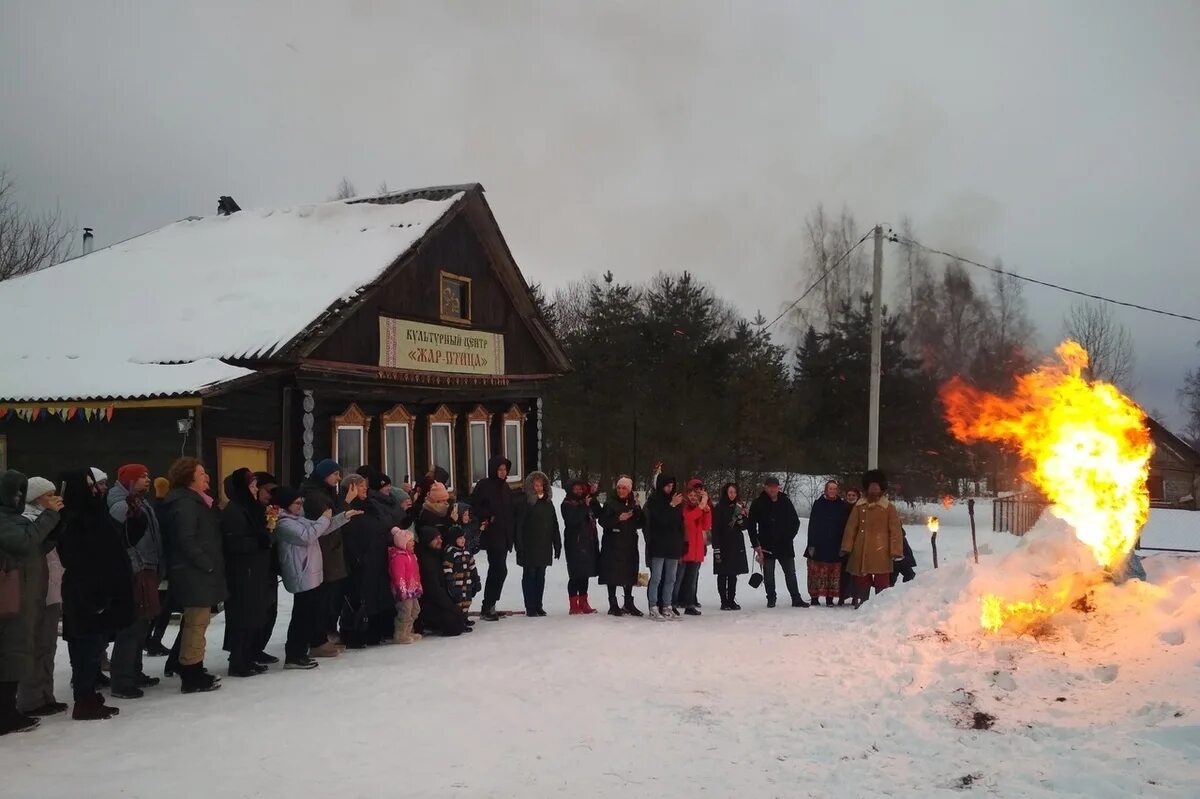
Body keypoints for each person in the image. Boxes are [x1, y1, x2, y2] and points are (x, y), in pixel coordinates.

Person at [57, 468, 134, 719]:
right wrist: (98, 593)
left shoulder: (93, 513)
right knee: (85, 650)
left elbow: (115, 545)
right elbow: (82, 558)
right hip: (86, 593)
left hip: (98, 592)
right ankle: (84, 700)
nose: (96, 489)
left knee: (93, 647)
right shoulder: (74, 519)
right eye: (90, 485)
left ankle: (89, 695)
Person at [0, 472, 62, 735]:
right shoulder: (5, 519)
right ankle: (6, 713)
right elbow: (24, 543)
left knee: (19, 650)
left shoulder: (15, 518)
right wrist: (49, 516)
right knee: (11, 652)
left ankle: (10, 711)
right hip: (12, 596)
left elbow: (37, 544)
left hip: (26, 594)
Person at [159, 457, 227, 693]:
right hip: (194, 573)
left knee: (197, 623)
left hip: (198, 573)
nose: (206, 476)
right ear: (188, 478)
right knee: (196, 624)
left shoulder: (195, 501)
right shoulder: (186, 504)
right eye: (200, 474)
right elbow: (185, 538)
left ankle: (193, 668)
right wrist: (205, 563)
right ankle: (191, 675)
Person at [272, 486, 358, 669]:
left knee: (309, 614)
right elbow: (308, 536)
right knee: (301, 616)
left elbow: (321, 529)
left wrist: (343, 517)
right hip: (300, 573)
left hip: (311, 573)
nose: (300, 506)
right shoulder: (283, 523)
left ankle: (300, 652)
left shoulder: (297, 519)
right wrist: (324, 518)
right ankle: (294, 655)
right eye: (296, 503)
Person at [106, 464, 164, 698]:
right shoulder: (121, 506)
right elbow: (126, 540)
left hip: (146, 567)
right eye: (142, 476)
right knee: (131, 626)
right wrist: (139, 564)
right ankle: (122, 680)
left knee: (142, 624)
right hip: (135, 570)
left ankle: (135, 672)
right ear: (130, 480)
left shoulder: (140, 501)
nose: (148, 480)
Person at [15, 477, 66, 720]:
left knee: (48, 645)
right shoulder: (27, 520)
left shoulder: (49, 518)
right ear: (35, 497)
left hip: (51, 590)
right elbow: (35, 545)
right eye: (49, 494)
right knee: (35, 646)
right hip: (35, 592)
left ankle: (46, 694)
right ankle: (31, 699)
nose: (54, 498)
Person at [219, 468, 274, 677]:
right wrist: (259, 540)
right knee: (243, 616)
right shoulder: (234, 510)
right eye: (251, 486)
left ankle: (247, 656)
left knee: (254, 615)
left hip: (255, 568)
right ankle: (238, 660)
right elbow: (234, 542)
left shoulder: (249, 508)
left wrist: (267, 531)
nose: (254, 490)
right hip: (242, 570)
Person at [340, 473, 395, 647]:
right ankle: (357, 633)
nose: (365, 489)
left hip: (377, 556)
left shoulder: (371, 505)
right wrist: (357, 556)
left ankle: (377, 631)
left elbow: (385, 522)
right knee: (362, 596)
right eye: (361, 486)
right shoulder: (346, 506)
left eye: (365, 485)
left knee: (378, 594)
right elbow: (346, 534)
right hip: (360, 559)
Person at [301, 458, 347, 649]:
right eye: (335, 474)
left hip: (330, 549)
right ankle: (318, 637)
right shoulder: (315, 495)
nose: (338, 478)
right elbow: (327, 523)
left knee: (329, 596)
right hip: (324, 549)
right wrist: (346, 506)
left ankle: (323, 634)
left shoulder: (324, 492)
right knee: (322, 597)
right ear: (324, 474)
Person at [840, 469, 903, 608]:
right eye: (871, 486)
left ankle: (881, 606)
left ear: (881, 489)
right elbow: (851, 527)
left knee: (882, 580)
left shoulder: (888, 508)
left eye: (876, 487)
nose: (873, 490)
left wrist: (896, 550)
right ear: (867, 488)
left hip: (882, 551)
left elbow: (896, 530)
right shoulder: (859, 506)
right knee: (862, 580)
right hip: (861, 549)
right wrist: (846, 546)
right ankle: (863, 604)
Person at [748, 477, 808, 608]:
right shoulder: (758, 503)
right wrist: (756, 544)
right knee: (768, 574)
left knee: (790, 573)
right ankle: (771, 598)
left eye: (775, 486)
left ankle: (796, 598)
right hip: (766, 544)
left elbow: (795, 522)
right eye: (770, 486)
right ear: (765, 487)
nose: (772, 489)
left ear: (778, 487)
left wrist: (789, 536)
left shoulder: (785, 501)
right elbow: (751, 525)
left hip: (784, 544)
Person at [414, 485, 466, 636]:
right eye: (442, 500)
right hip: (432, 558)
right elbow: (434, 590)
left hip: (439, 555)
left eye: (446, 500)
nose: (445, 503)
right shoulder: (427, 516)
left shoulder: (445, 513)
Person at [470, 456, 516, 621]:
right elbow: (474, 505)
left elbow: (510, 511)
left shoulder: (505, 487)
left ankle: (491, 604)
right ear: (493, 470)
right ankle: (487, 606)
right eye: (500, 469)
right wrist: (488, 515)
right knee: (498, 569)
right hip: (492, 534)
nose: (503, 473)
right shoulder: (484, 485)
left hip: (504, 535)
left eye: (505, 470)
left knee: (500, 571)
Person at [515, 472, 560, 617]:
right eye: (536, 485)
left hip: (544, 545)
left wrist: (557, 544)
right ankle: (530, 606)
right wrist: (519, 546)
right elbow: (519, 526)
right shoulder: (526, 503)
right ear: (531, 486)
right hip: (529, 546)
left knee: (541, 575)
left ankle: (538, 605)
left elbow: (554, 525)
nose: (538, 488)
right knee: (530, 574)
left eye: (541, 485)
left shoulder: (548, 503)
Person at [598, 476, 644, 617]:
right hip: (612, 542)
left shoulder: (633, 503)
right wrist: (618, 519)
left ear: (629, 490)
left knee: (630, 571)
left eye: (624, 488)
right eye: (619, 487)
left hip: (629, 542)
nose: (621, 490)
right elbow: (602, 521)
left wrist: (638, 513)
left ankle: (628, 603)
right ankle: (613, 604)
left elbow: (641, 523)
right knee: (612, 572)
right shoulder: (610, 503)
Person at [643, 472, 685, 621]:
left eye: (672, 486)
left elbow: (680, 524)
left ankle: (667, 605)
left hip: (673, 545)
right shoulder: (654, 501)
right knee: (656, 577)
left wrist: (682, 543)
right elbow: (659, 521)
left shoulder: (677, 502)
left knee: (671, 578)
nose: (670, 488)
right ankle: (653, 605)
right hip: (658, 544)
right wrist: (671, 505)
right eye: (667, 486)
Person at [805, 480, 853, 607]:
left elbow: (845, 526)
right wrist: (811, 544)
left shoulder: (841, 505)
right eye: (830, 488)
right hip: (819, 543)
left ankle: (830, 598)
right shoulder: (818, 504)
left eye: (835, 488)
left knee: (833, 572)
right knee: (816, 572)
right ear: (826, 489)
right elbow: (812, 525)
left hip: (835, 544)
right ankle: (814, 597)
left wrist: (844, 545)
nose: (832, 491)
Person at [250, 471, 281, 664]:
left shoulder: (269, 509)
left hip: (270, 567)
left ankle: (258, 648)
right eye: (267, 491)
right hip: (255, 569)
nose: (270, 495)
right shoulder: (251, 510)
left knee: (271, 611)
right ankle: (250, 649)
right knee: (258, 611)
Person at [144, 477, 174, 656]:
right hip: (164, 564)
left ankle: (150, 639)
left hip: (158, 563)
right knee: (164, 606)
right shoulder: (166, 509)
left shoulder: (152, 507)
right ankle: (153, 640)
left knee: (159, 606)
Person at [561, 480, 600, 615]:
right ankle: (573, 604)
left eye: (581, 489)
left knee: (585, 574)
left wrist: (592, 497)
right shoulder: (566, 504)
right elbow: (573, 520)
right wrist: (584, 505)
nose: (578, 491)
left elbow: (597, 513)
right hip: (574, 543)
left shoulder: (585, 502)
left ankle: (584, 602)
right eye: (576, 489)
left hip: (588, 542)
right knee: (575, 574)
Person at [674, 479, 711, 616]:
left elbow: (706, 526)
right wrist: (701, 507)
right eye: (691, 495)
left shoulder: (700, 509)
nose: (693, 497)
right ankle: (673, 602)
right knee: (678, 578)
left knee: (691, 580)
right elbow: (688, 520)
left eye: (696, 496)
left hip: (696, 549)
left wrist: (706, 511)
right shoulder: (683, 509)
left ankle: (690, 604)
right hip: (685, 549)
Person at [711, 482, 749, 611]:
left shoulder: (739, 507)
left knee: (733, 573)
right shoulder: (719, 508)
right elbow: (715, 528)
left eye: (734, 492)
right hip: (722, 543)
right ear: (726, 493)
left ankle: (732, 599)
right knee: (723, 573)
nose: (732, 495)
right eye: (730, 492)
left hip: (736, 543)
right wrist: (716, 546)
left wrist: (740, 517)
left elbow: (744, 526)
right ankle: (724, 601)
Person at [442, 508, 480, 621]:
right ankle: (459, 620)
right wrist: (450, 582)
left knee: (467, 600)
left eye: (463, 537)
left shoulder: (467, 552)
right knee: (458, 602)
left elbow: (472, 567)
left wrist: (476, 580)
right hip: (456, 584)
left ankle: (465, 618)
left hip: (467, 582)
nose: (463, 540)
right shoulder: (451, 552)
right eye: (459, 538)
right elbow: (447, 569)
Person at [387, 527, 423, 644]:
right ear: (402, 543)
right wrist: (402, 591)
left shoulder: (411, 556)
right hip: (403, 591)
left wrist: (418, 586)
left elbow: (415, 574)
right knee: (405, 611)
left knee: (415, 610)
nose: (413, 543)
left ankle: (408, 631)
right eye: (410, 541)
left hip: (412, 590)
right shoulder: (398, 558)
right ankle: (400, 634)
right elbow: (399, 577)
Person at [838, 487, 861, 606]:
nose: (851, 497)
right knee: (844, 572)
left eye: (853, 495)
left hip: (857, 544)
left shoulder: (860, 508)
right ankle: (842, 596)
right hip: (844, 543)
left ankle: (856, 596)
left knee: (856, 572)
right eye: (849, 495)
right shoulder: (842, 508)